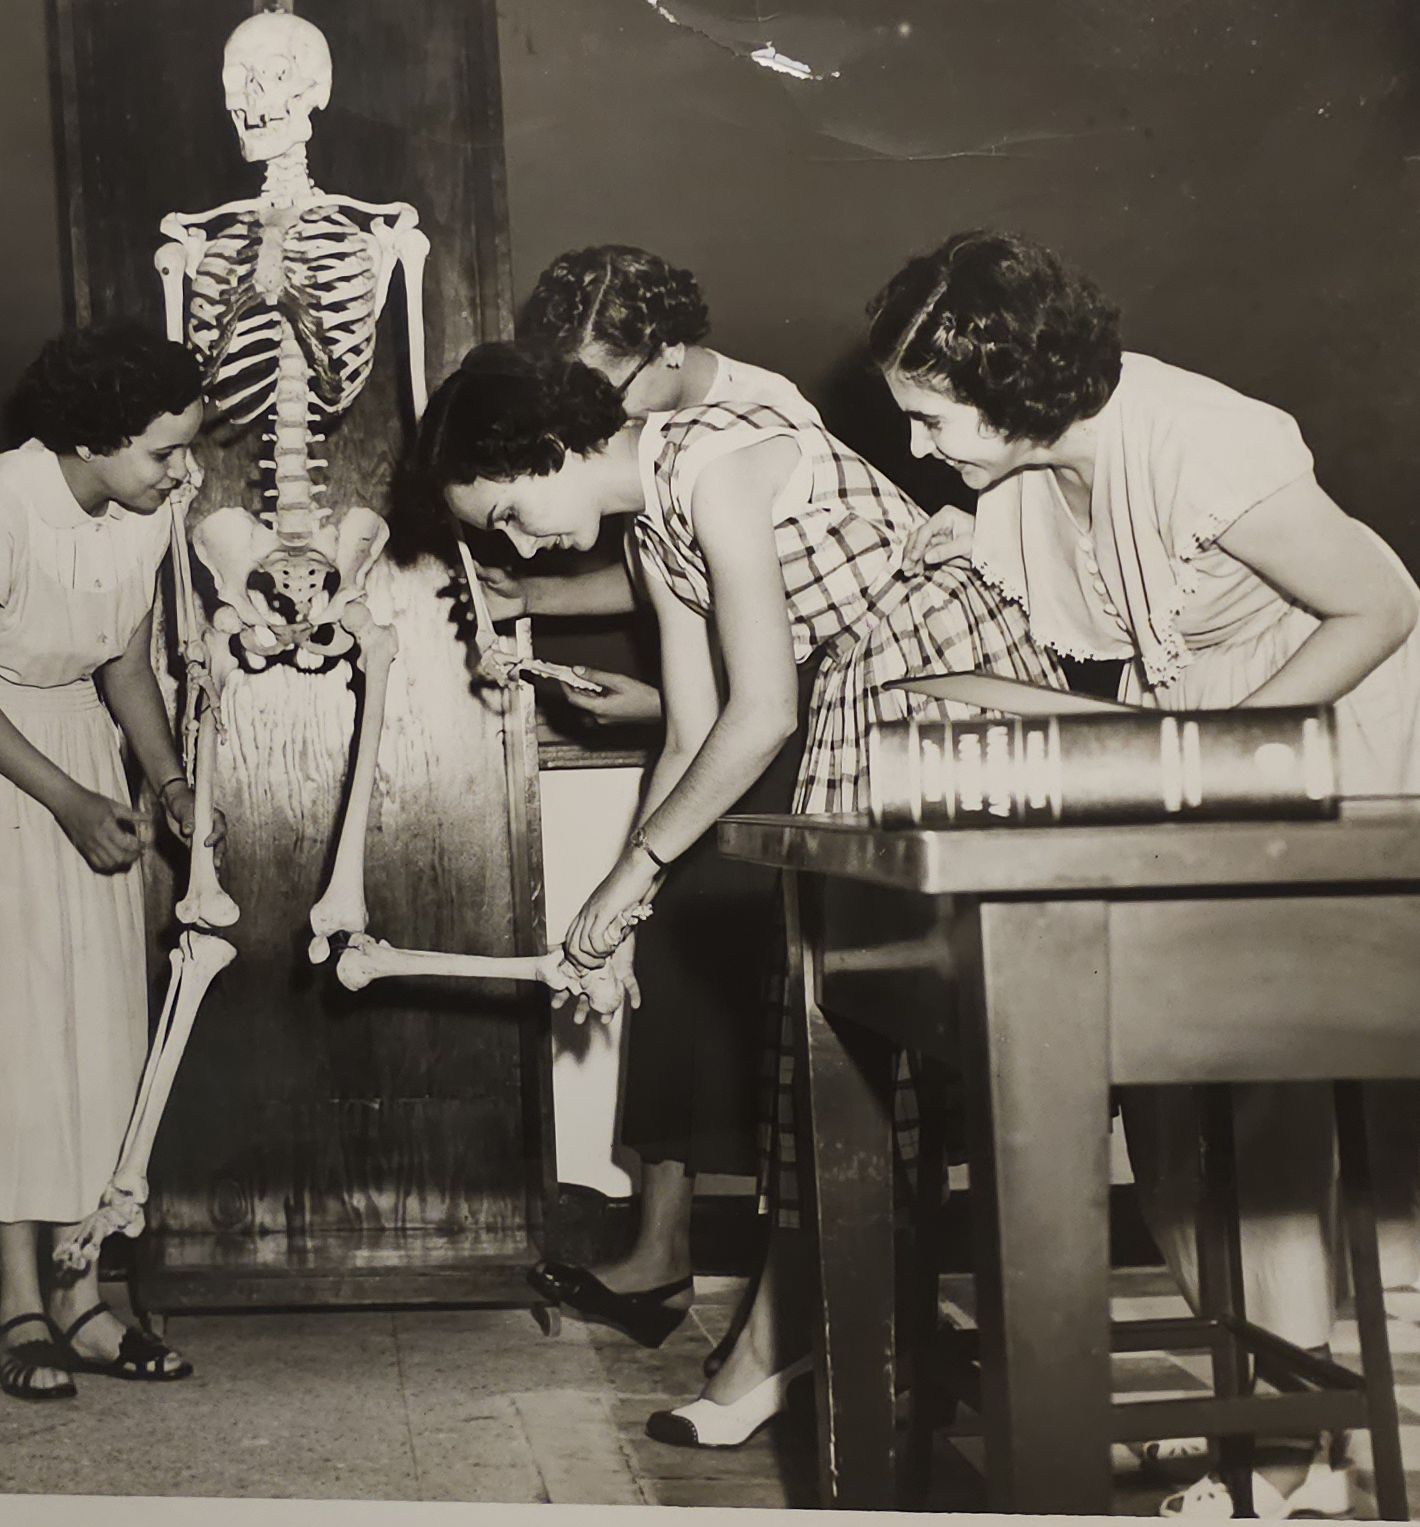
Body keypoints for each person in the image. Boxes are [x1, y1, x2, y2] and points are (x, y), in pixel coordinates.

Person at [876, 229, 1420, 1516]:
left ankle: (1295, 1447)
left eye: (930, 416)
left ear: (1011, 380)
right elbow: (1144, 669)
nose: (917, 445)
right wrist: (991, 661)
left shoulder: (1202, 437)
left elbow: (1373, 611)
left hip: (1348, 736)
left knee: (1257, 1092)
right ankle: (1255, 1402)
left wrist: (1215, 756)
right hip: (1226, 747)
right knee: (1153, 1084)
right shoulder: (1031, 481)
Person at [406, 333, 1056, 1449]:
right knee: (833, 1044)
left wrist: (635, 869)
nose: (517, 544)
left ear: (550, 443)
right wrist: (621, 908)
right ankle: (819, 1330)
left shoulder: (718, 461)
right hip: (866, 697)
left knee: (921, 1042)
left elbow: (762, 712)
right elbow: (692, 731)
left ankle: (918, 1345)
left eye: (508, 510)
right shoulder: (658, 522)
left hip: (946, 690)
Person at [494, 247, 832, 1366]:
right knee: (673, 949)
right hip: (733, 716)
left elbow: (765, 663)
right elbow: (659, 576)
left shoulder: (748, 429)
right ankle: (662, 1248)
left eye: (603, 386)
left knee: (792, 1006)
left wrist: (642, 848)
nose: (585, 415)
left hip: (805, 727)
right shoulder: (647, 446)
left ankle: (798, 1302)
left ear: (669, 353)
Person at [0, 322, 210, 1401]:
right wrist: (71, 799)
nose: (182, 471)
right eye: (164, 450)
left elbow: (126, 666)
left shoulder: (146, 509)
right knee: (7, 1036)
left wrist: (167, 783)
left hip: (76, 746)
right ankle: (20, 1302)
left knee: (95, 1028)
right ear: (93, 437)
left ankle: (86, 1296)